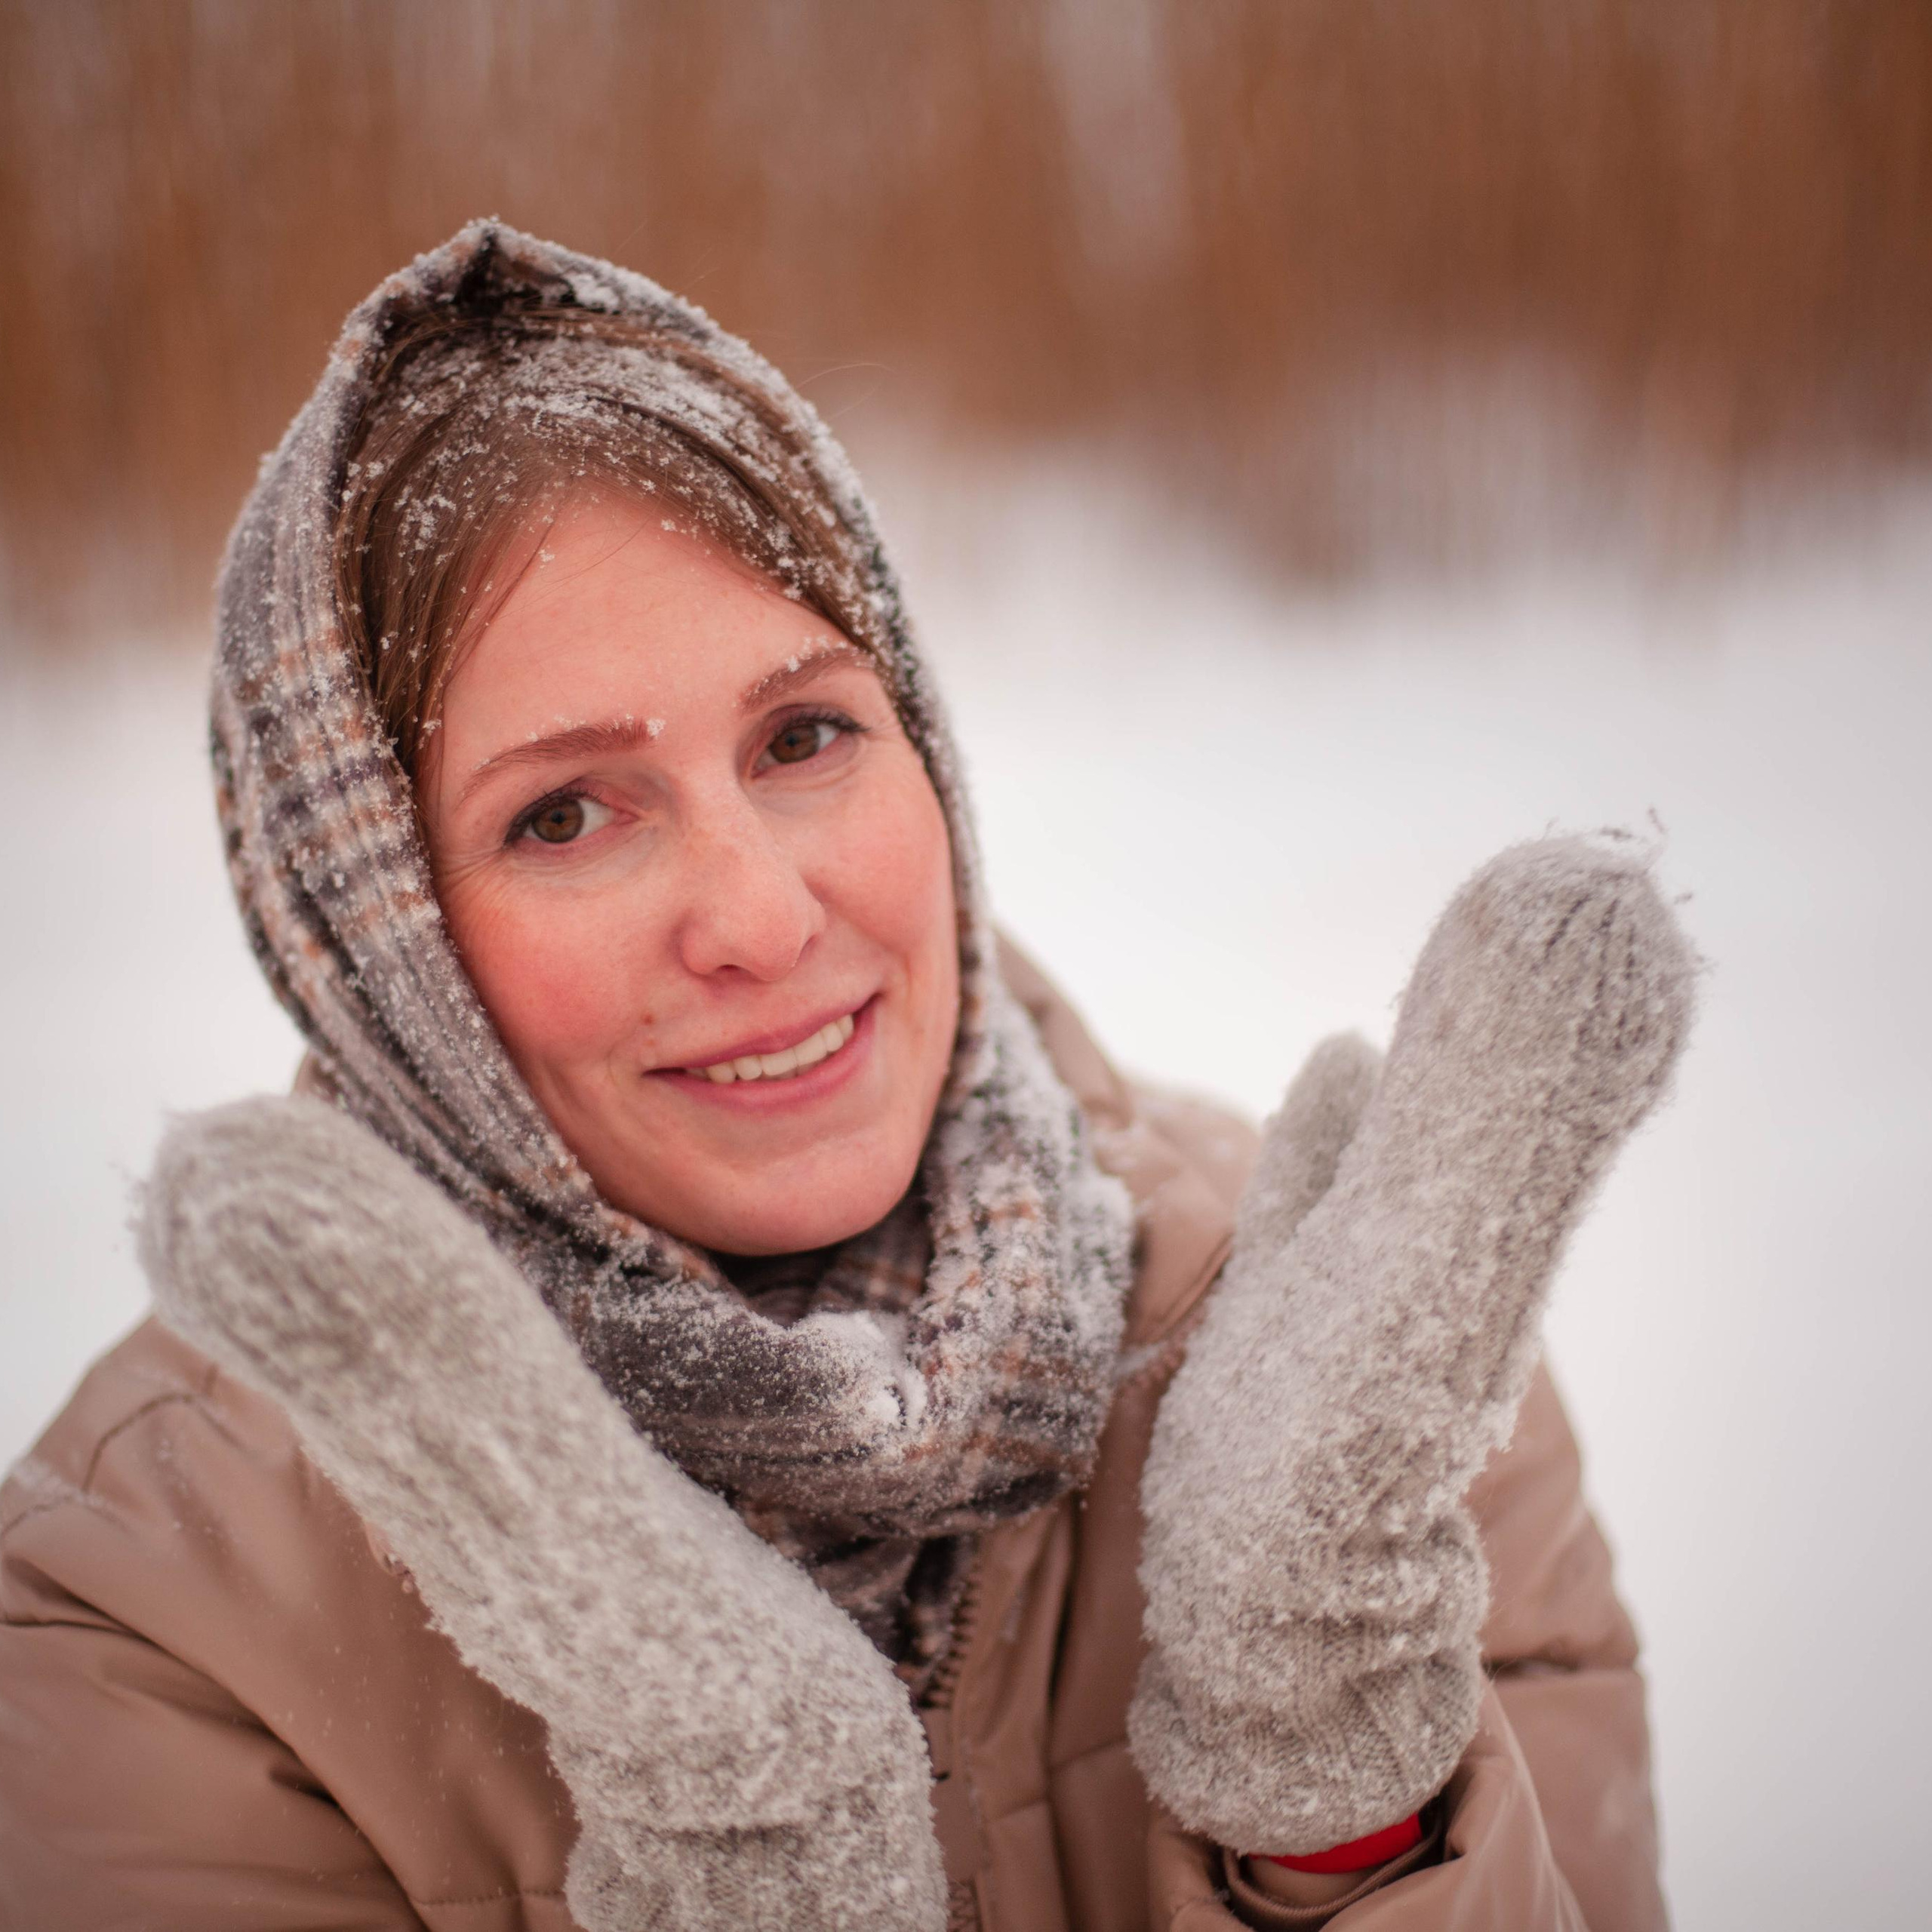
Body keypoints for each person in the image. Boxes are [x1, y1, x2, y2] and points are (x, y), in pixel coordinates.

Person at [0, 222, 1692, 1930]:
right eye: (564, 813)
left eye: (801, 735)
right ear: (376, 949)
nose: (756, 912)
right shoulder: (155, 1606)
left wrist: (1338, 1801)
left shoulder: (1351, 1344)